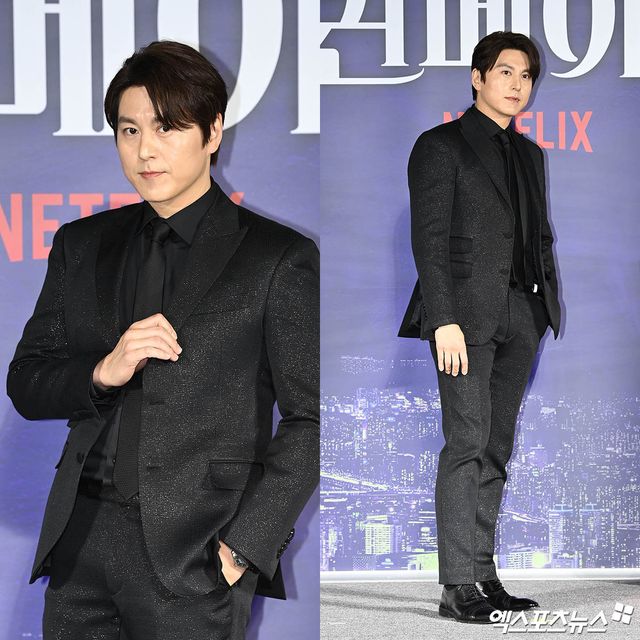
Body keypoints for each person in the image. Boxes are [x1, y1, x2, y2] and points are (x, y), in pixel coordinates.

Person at [6, 40, 319, 639]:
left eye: (167, 127)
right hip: (78, 543)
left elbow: (312, 418)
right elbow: (27, 382)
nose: (145, 150)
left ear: (213, 131)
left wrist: (243, 549)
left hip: (196, 556)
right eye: (129, 130)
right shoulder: (82, 244)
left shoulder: (276, 257)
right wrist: (102, 371)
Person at [398, 31, 561, 624]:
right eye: (505, 72)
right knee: (466, 443)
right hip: (463, 320)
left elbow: (538, 235)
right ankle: (456, 586)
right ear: (477, 77)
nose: (517, 85)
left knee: (496, 447)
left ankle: (484, 575)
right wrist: (443, 319)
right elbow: (429, 239)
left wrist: (543, 308)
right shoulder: (440, 145)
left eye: (526, 76)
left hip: (523, 313)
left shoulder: (531, 155)